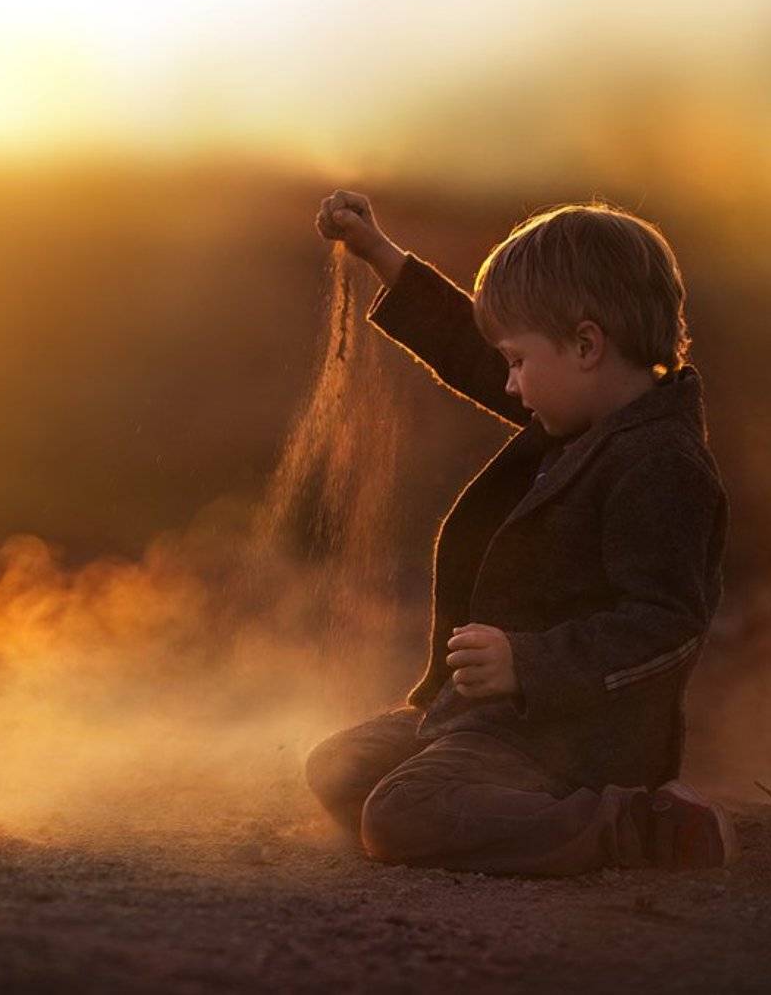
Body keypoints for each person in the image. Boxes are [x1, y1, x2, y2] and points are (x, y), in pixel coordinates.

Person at [303, 190, 734, 874]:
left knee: (399, 816)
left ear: (587, 345)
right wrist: (382, 255)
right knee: (337, 768)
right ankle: (494, 797)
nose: (507, 384)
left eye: (517, 362)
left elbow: (667, 625)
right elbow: (475, 348)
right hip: (496, 715)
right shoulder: (587, 414)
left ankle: (637, 828)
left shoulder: (662, 465)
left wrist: (526, 662)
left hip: (574, 736)